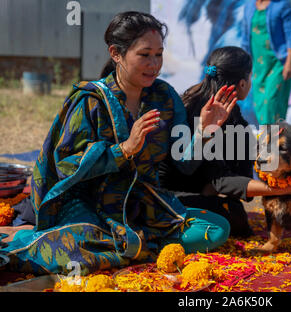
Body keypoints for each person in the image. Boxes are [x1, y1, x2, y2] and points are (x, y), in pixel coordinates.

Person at [0, 12, 236, 275]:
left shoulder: (165, 97)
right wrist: (124, 150)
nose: (154, 64)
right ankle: (128, 244)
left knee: (216, 229)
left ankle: (130, 245)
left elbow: (185, 163)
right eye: (144, 54)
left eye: (159, 54)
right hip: (88, 205)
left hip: (142, 204)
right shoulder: (90, 100)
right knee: (74, 249)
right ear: (116, 53)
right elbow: (66, 165)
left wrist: (204, 131)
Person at [159, 46, 291, 238]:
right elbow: (221, 180)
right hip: (169, 198)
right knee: (231, 220)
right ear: (242, 83)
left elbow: (240, 162)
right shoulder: (208, 113)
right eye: (250, 77)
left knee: (234, 212)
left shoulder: (208, 102)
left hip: (192, 190)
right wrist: (286, 187)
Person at [242, 0, 291, 125]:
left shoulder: (282, 5)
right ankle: (274, 141)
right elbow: (246, 36)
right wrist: (243, 62)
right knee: (260, 104)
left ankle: (268, 142)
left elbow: (290, 34)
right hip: (258, 65)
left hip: (278, 63)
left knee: (270, 103)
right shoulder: (249, 5)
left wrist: (289, 62)